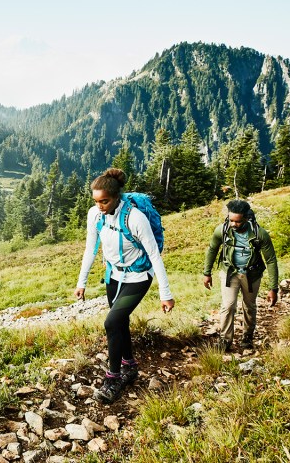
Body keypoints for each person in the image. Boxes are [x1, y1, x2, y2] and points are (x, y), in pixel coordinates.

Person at [74, 168, 175, 404]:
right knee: (120, 322)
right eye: (96, 201)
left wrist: (165, 293)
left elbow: (154, 254)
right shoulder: (95, 215)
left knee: (111, 322)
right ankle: (129, 365)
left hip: (138, 277)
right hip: (114, 275)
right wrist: (82, 282)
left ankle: (113, 378)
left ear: (116, 196)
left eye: (104, 201)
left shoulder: (135, 218)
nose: (99, 206)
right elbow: (90, 248)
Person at [202, 199, 279, 352]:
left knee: (249, 306)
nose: (233, 224)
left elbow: (271, 260)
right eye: (231, 220)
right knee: (228, 305)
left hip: (252, 274)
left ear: (246, 218)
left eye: (237, 221)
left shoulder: (260, 234)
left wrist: (273, 288)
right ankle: (225, 340)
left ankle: (247, 337)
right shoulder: (222, 230)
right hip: (229, 272)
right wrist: (207, 273)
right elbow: (212, 249)